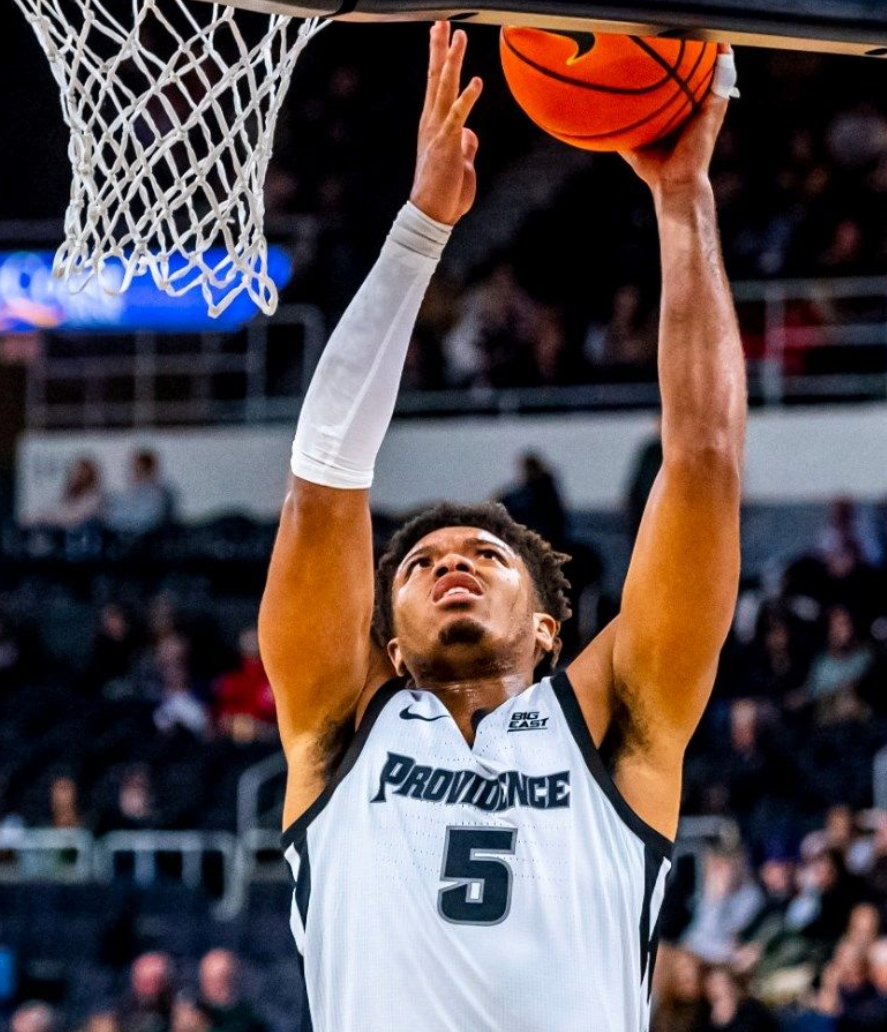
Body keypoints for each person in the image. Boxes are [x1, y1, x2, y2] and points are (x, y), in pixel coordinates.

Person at [258, 22, 744, 1032]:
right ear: (386, 644)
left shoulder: (617, 733)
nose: (452, 565)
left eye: (486, 555)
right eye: (424, 562)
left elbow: (702, 465)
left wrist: (684, 197)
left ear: (548, 632)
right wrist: (419, 233)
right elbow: (323, 484)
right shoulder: (339, 728)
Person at [105, 449, 177, 537]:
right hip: (126, 535)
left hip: (144, 539)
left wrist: (120, 521)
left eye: (137, 470)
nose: (132, 474)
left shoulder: (157, 494)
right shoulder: (128, 493)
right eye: (132, 469)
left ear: (149, 471)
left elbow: (146, 521)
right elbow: (109, 516)